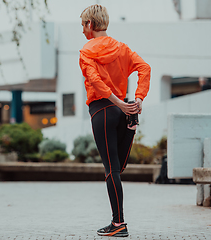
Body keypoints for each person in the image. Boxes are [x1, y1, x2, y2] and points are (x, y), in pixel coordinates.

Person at [79, 5, 151, 237]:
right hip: (123, 111)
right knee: (117, 168)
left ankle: (118, 223)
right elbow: (145, 68)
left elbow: (96, 82)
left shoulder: (86, 51)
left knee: (111, 170)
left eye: (83, 25)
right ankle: (131, 124)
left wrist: (117, 103)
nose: (82, 30)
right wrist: (137, 99)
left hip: (103, 110)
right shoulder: (122, 48)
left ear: (90, 24)